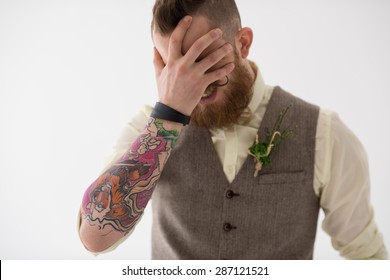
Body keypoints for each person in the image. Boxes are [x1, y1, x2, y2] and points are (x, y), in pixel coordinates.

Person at [78, 0, 387, 259]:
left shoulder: (325, 134)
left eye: (204, 59)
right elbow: (94, 237)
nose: (193, 80)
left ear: (243, 43)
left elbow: (366, 257)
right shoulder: (148, 130)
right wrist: (168, 117)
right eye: (176, 65)